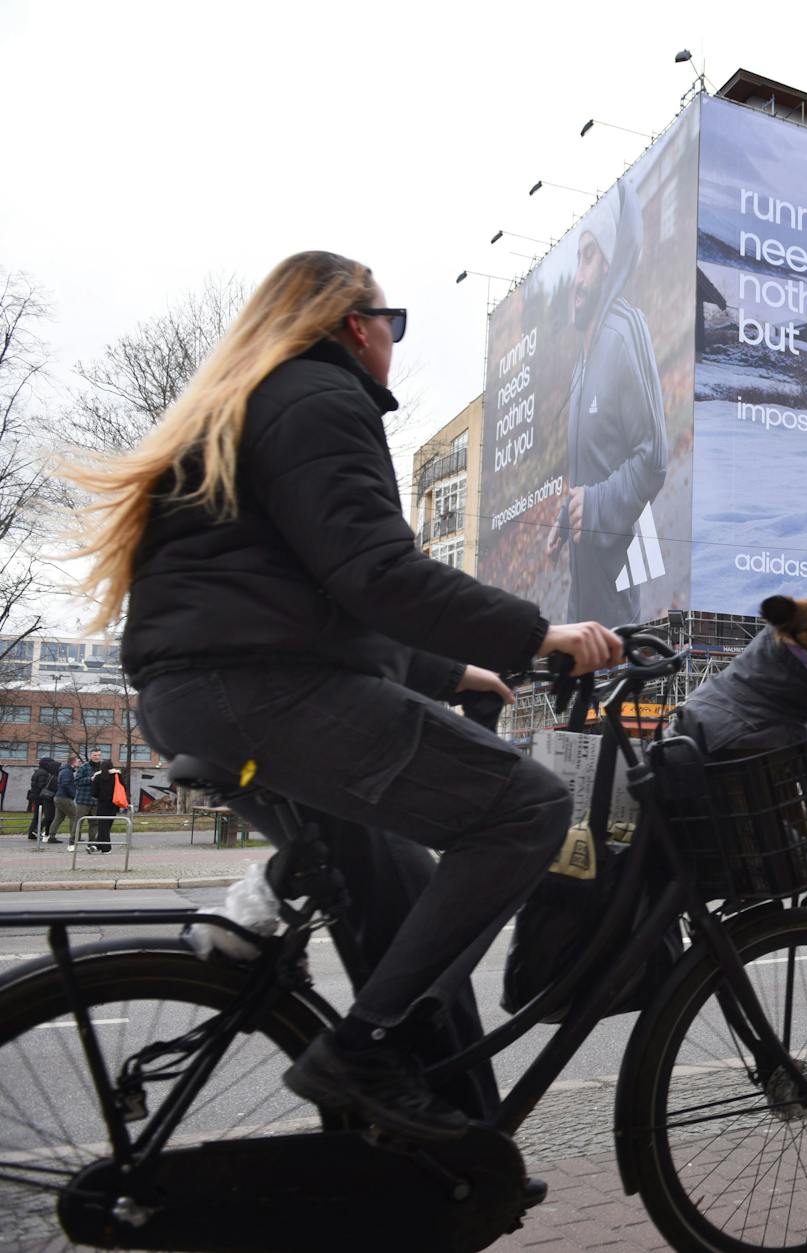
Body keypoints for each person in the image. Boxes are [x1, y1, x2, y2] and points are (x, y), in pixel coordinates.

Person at [68, 250, 625, 1144]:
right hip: (263, 695)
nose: (393, 343)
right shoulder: (322, 400)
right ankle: (364, 1053)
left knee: (398, 887)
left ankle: (434, 1153)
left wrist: (454, 673)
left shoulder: (262, 403)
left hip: (217, 691)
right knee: (526, 807)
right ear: (353, 325)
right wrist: (538, 634)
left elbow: (311, 597)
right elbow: (376, 574)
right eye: (391, 322)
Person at [547, 181, 669, 625]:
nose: (577, 278)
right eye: (578, 259)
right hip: (584, 592)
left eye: (589, 257)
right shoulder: (584, 360)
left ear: (611, 263)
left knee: (614, 690)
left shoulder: (624, 332)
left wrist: (595, 506)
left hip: (617, 590)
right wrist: (568, 515)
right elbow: (597, 464)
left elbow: (654, 458)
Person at [89, 753, 123, 853]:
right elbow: (123, 788)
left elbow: (93, 793)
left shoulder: (98, 777)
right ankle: (99, 846)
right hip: (114, 804)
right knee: (106, 826)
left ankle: (104, 847)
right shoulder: (117, 775)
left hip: (102, 805)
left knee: (103, 826)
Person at [51, 754, 81, 846]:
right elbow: (66, 784)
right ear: (73, 762)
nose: (79, 763)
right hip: (65, 798)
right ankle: (74, 837)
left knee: (59, 817)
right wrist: (73, 794)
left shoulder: (64, 770)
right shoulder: (67, 772)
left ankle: (51, 836)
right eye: (78, 761)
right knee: (74, 817)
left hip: (59, 797)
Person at [25, 755, 53, 841]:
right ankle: (34, 831)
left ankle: (32, 833)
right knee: (40, 815)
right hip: (39, 797)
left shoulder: (38, 772)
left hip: (35, 796)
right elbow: (42, 785)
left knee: (37, 815)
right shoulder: (43, 773)